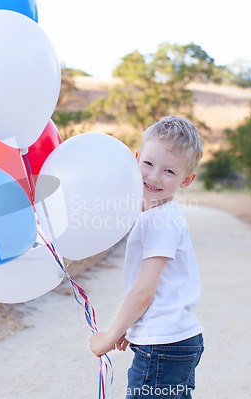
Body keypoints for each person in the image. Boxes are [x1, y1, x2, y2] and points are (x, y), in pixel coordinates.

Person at [89, 115, 204, 399]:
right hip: (177, 342)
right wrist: (135, 326)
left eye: (168, 171)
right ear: (136, 158)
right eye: (149, 164)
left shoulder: (159, 221)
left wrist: (111, 334)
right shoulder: (156, 214)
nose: (153, 177)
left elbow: (144, 291)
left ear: (186, 179)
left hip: (163, 346)